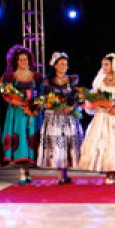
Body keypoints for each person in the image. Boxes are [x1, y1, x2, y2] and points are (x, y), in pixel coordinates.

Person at [78, 53, 115, 184]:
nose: (104, 67)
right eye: (103, 64)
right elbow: (94, 96)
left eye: (106, 64)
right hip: (103, 114)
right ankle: (107, 173)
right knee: (103, 143)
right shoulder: (99, 80)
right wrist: (98, 103)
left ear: (113, 65)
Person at [37, 52, 84, 185]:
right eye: (61, 64)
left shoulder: (72, 80)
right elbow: (45, 99)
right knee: (58, 144)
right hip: (54, 116)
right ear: (55, 66)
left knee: (68, 144)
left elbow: (76, 97)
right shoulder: (48, 82)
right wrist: (53, 105)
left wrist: (71, 107)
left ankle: (65, 173)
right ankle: (59, 175)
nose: (64, 66)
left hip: (68, 116)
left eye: (65, 64)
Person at [0, 45, 44, 185]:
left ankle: (28, 171)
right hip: (17, 113)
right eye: (20, 60)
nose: (23, 62)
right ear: (16, 61)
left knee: (31, 139)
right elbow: (6, 94)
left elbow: (40, 94)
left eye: (25, 60)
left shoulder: (35, 77)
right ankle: (21, 172)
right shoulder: (10, 77)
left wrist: (35, 106)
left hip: (31, 112)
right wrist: (17, 101)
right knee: (21, 141)